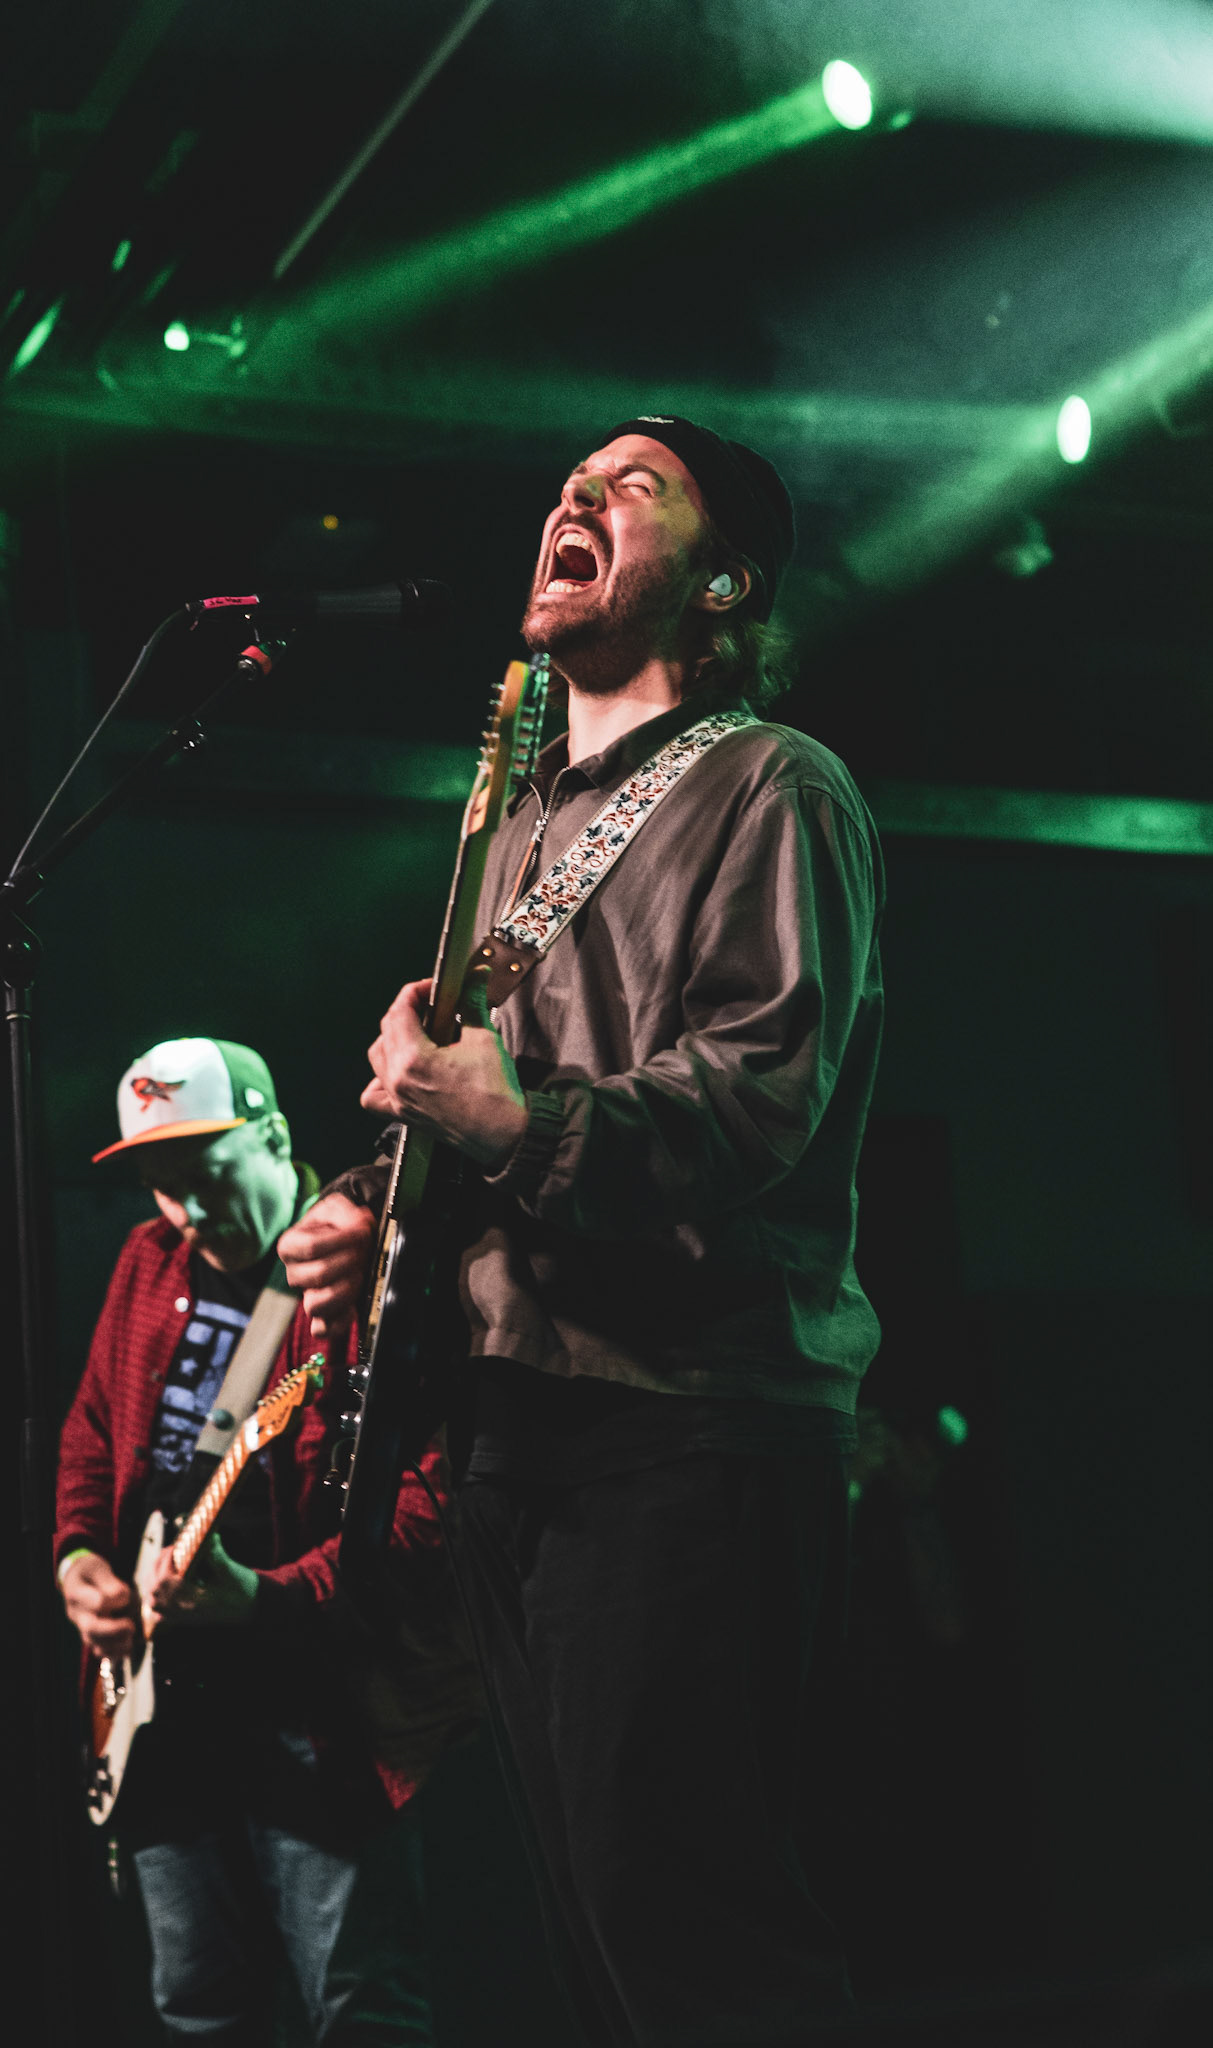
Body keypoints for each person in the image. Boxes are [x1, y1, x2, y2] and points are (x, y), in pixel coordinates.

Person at [280, 417, 885, 2048]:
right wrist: (369, 1203)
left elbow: (757, 1094)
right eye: (572, 481)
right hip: (513, 1416)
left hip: (686, 1413)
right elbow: (495, 1094)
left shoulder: (774, 783)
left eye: (633, 486)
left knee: (695, 1935)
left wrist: (506, 1121)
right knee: (592, 1947)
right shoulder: (519, 829)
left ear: (722, 582)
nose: (576, 495)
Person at [56, 1036, 464, 2046]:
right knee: (198, 2004)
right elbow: (92, 1430)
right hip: (155, 1710)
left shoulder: (360, 1277)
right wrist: (78, 1557)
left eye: (203, 1172)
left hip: (315, 1707)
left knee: (359, 2005)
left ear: (275, 1134)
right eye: (161, 1185)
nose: (185, 1209)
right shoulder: (146, 1260)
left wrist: (269, 1597)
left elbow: (435, 1506)